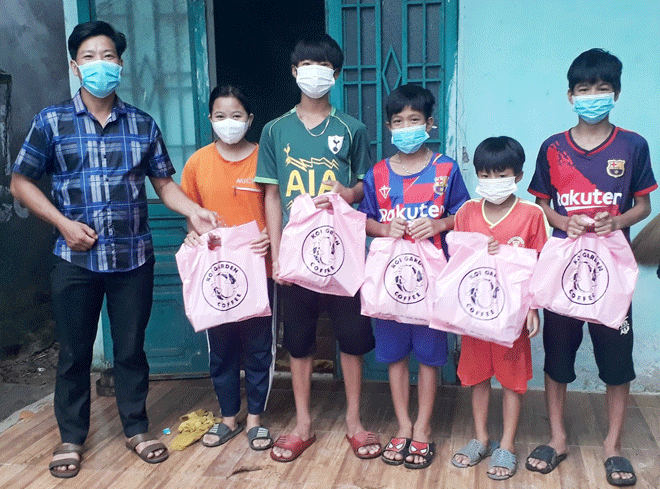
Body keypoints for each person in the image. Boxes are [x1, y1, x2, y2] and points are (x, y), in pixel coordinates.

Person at [10, 21, 217, 478]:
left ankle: (136, 428)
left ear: (120, 64)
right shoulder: (51, 121)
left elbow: (164, 183)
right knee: (74, 352)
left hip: (132, 260)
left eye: (107, 56)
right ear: (74, 65)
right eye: (89, 57)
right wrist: (62, 224)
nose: (99, 65)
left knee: (129, 350)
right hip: (74, 260)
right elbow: (20, 182)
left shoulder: (142, 124)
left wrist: (194, 212)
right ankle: (70, 438)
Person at [526, 48, 656, 487]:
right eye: (585, 89)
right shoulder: (553, 147)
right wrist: (565, 222)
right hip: (565, 270)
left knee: (616, 362)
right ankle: (558, 438)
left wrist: (616, 221)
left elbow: (644, 205)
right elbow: (543, 205)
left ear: (616, 94)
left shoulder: (632, 145)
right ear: (570, 95)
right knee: (558, 357)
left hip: (612, 274)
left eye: (602, 89)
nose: (593, 97)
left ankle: (613, 447)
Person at [254, 32, 381, 462]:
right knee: (301, 342)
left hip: (343, 253)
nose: (315, 74)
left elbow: (366, 187)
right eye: (307, 66)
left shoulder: (352, 129)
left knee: (350, 339)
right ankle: (303, 424)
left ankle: (354, 422)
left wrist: (345, 194)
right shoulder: (275, 130)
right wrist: (275, 252)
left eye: (324, 67)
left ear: (336, 75)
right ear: (294, 72)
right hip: (295, 255)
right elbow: (271, 195)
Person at [358, 84, 469, 469]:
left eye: (414, 120)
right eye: (398, 121)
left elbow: (464, 215)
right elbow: (365, 221)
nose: (406, 127)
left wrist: (437, 222)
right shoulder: (377, 173)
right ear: (389, 127)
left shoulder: (446, 169)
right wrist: (383, 229)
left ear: (430, 124)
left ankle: (423, 427)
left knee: (428, 357)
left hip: (433, 281)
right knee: (393, 357)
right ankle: (403, 424)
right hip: (389, 281)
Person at [180, 85, 275, 451]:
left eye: (236, 116)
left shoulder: (263, 160)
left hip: (257, 271)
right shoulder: (197, 163)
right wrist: (192, 235)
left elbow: (275, 205)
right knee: (220, 350)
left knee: (258, 347)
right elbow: (192, 212)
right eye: (221, 116)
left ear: (250, 120)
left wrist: (270, 237)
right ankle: (228, 418)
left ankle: (255, 420)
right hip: (215, 276)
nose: (229, 123)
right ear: (210, 120)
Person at [450, 136, 548, 480]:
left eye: (501, 174)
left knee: (511, 382)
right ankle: (481, 438)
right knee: (477, 380)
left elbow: (541, 265)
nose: (492, 182)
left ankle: (506, 444)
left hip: (513, 318)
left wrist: (533, 309)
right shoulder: (465, 212)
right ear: (477, 174)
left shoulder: (531, 215)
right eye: (485, 174)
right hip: (476, 315)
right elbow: (458, 263)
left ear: (518, 176)